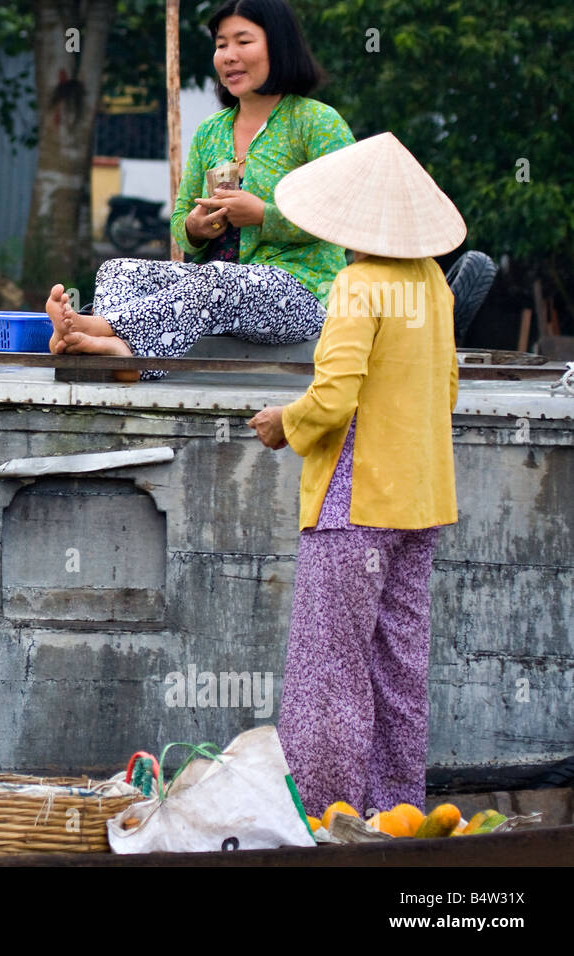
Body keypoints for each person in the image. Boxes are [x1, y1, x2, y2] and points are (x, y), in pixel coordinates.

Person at [246, 132, 466, 818]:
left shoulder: (357, 284)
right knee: (399, 669)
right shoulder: (431, 282)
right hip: (421, 498)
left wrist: (287, 421)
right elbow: (448, 389)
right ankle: (395, 814)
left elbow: (335, 397)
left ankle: (322, 814)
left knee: (329, 667)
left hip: (355, 501)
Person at [48, 0, 354, 380]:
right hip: (214, 283)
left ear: (279, 46)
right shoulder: (211, 131)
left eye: (243, 42)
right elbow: (180, 220)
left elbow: (344, 217)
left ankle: (97, 328)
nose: (229, 56)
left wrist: (263, 216)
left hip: (301, 293)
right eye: (221, 44)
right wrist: (195, 228)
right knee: (120, 268)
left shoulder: (317, 122)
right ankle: (119, 352)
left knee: (218, 278)